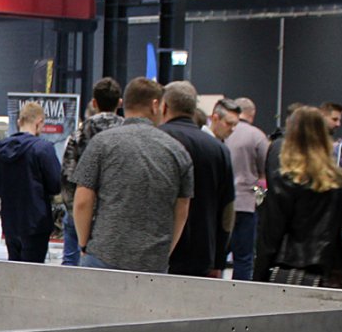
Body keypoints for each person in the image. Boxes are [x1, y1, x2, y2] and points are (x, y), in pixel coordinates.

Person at [72, 77, 193, 273]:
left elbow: (83, 200)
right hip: (153, 260)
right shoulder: (177, 151)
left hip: (103, 254)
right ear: (155, 105)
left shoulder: (101, 143)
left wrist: (84, 244)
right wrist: (165, 251)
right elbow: (182, 208)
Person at [254, 106, 342, 287]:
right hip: (329, 274)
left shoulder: (286, 179)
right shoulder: (341, 181)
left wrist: (258, 277)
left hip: (288, 272)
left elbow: (271, 233)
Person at [160, 84, 235, 278]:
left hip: (160, 251)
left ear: (164, 107)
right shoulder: (219, 149)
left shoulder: (157, 139)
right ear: (194, 110)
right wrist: (219, 259)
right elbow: (227, 210)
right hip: (202, 254)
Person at [59, 76, 123, 267]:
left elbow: (67, 181)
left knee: (71, 262)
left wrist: (75, 216)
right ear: (119, 103)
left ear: (94, 103)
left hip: (79, 212)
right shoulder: (129, 134)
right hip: (116, 219)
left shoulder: (77, 136)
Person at [0, 101, 62, 263]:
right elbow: (55, 185)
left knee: (14, 271)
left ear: (19, 122)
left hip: (10, 222)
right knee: (33, 274)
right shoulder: (43, 148)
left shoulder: (1, 149)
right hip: (36, 223)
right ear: (39, 122)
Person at [224, 95, 269, 280]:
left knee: (218, 256)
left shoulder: (223, 132)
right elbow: (265, 168)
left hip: (224, 204)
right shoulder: (257, 136)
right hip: (246, 204)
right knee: (243, 258)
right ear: (252, 114)